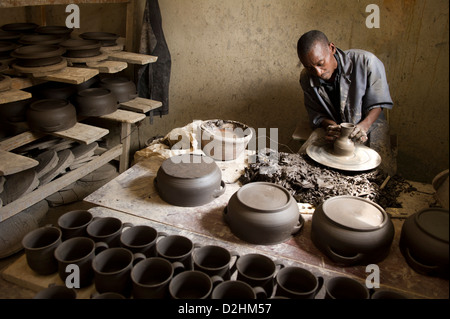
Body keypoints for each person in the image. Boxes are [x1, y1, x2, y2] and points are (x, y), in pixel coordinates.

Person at [296, 30, 396, 175]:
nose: (318, 72)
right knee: (302, 163)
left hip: (370, 123)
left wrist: (364, 126)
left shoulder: (366, 62)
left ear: (331, 48)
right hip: (335, 126)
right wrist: (331, 126)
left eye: (321, 63)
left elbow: (379, 102)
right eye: (310, 68)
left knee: (382, 172)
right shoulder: (306, 78)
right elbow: (317, 114)